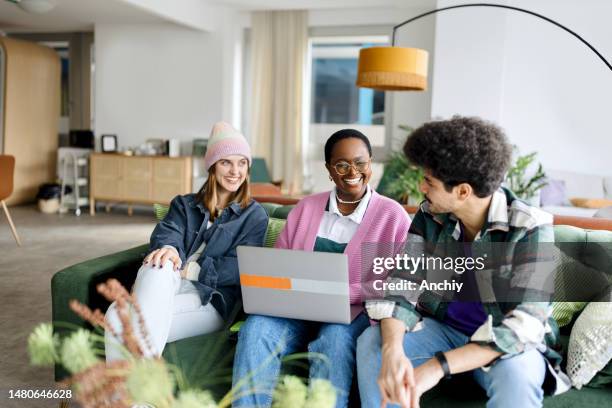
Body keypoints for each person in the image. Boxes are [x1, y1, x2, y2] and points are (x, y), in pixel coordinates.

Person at [357, 116, 570, 408]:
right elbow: (402, 284)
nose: (421, 187)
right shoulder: (431, 215)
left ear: (462, 192)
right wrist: (393, 350)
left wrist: (436, 367)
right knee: (374, 342)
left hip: (502, 346)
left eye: (429, 181)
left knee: (517, 374)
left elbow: (523, 326)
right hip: (445, 331)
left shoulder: (530, 227)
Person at [232, 129, 411, 408]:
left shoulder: (392, 216)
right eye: (341, 164)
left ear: (371, 164)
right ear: (329, 169)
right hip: (297, 310)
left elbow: (396, 283)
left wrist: (341, 293)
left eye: (361, 163)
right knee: (256, 328)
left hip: (354, 313)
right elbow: (281, 266)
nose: (352, 171)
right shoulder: (306, 208)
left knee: (335, 339)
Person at [104, 122, 268, 361]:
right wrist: (169, 249)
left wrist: (193, 270)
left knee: (116, 318)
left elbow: (241, 267)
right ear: (212, 166)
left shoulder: (254, 216)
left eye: (241, 163)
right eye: (226, 162)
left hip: (210, 297)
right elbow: (167, 231)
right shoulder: (184, 204)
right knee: (158, 263)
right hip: (167, 283)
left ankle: (135, 394)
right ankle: (139, 397)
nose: (235, 171)